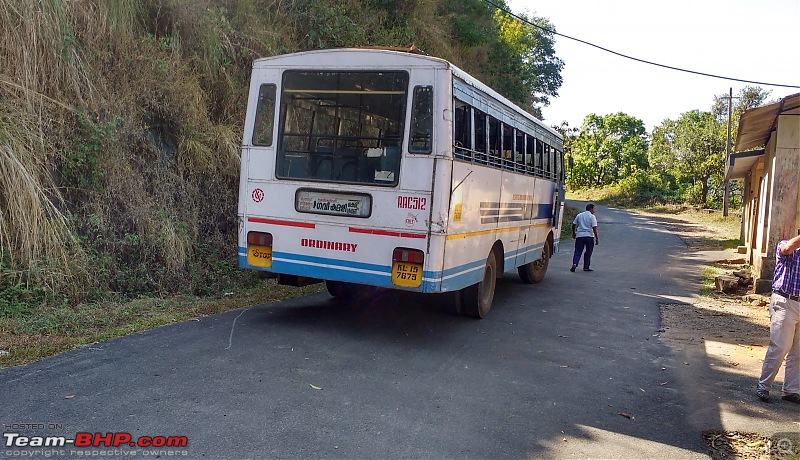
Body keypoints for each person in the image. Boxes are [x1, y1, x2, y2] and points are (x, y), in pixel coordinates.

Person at [756, 232, 800, 403]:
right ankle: (764, 385)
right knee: (780, 347)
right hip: (785, 301)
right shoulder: (785, 246)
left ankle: (791, 390)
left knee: (798, 351)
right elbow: (787, 248)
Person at [570, 203, 599, 272]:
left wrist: (574, 233)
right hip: (589, 236)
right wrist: (597, 238)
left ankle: (574, 263)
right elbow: (594, 228)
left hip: (580, 236)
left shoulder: (579, 215)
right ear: (591, 209)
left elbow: (574, 225)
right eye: (594, 209)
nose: (594, 211)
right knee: (588, 252)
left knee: (578, 251)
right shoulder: (592, 217)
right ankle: (586, 267)